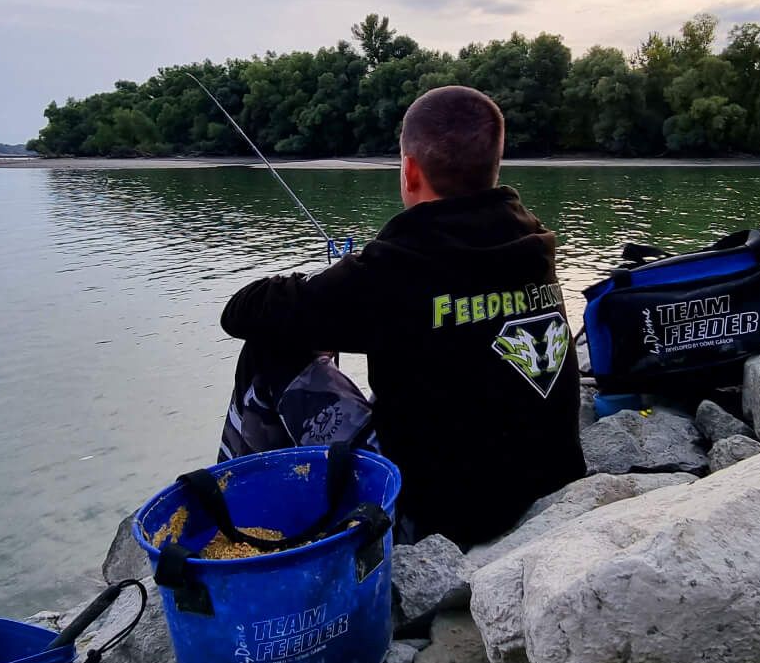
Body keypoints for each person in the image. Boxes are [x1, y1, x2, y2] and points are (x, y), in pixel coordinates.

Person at [219, 85, 587, 548]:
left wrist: (329, 283)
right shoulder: (533, 241)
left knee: (269, 351)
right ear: (494, 166)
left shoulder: (395, 268)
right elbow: (434, 303)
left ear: (410, 170)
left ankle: (239, 528)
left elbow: (241, 311)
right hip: (548, 485)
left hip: (437, 518)